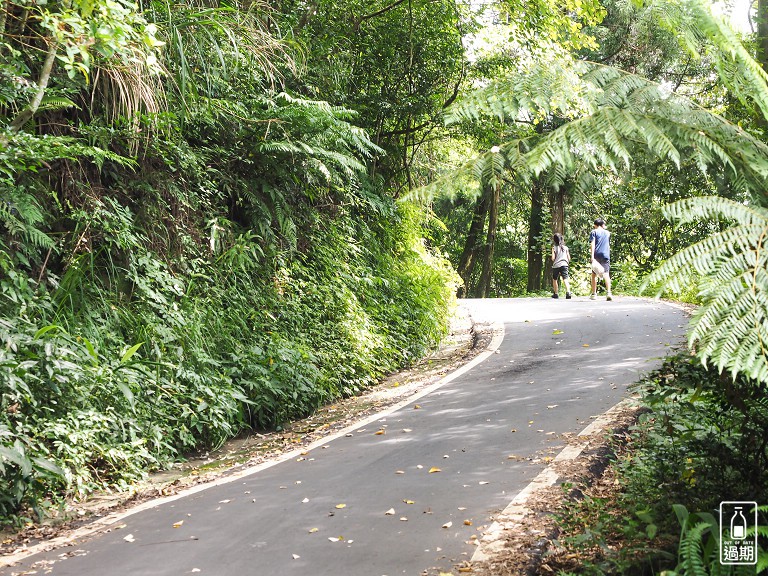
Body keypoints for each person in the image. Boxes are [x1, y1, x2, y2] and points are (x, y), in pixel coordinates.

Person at [589, 218, 612, 301]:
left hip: (596, 255)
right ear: (602, 225)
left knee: (594, 274)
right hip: (606, 254)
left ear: (595, 225)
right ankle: (609, 292)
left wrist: (592, 257)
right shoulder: (608, 233)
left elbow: (593, 244)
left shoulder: (594, 232)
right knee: (606, 273)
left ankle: (594, 294)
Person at [550, 232, 572, 299]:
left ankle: (556, 293)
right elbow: (569, 258)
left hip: (556, 265)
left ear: (554, 240)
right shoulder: (566, 248)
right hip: (564, 265)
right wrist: (566, 263)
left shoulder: (554, 248)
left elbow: (553, 258)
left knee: (555, 279)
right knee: (565, 278)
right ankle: (568, 292)